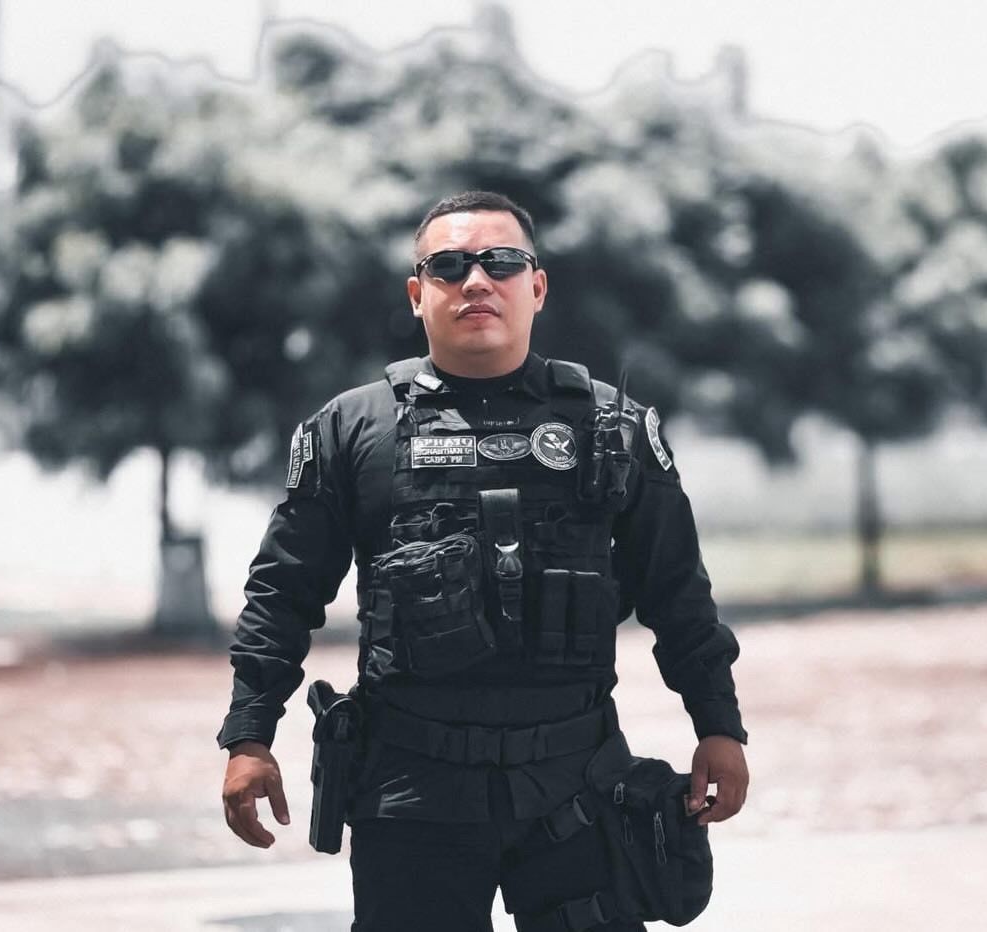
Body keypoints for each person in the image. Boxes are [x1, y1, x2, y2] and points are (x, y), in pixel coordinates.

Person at [218, 190, 749, 931]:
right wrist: (249, 733)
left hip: (576, 783)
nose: (476, 281)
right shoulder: (354, 429)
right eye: (448, 267)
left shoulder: (612, 425)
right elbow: (282, 594)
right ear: (417, 294)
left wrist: (718, 724)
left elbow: (677, 590)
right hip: (413, 791)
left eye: (501, 263)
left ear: (537, 286)